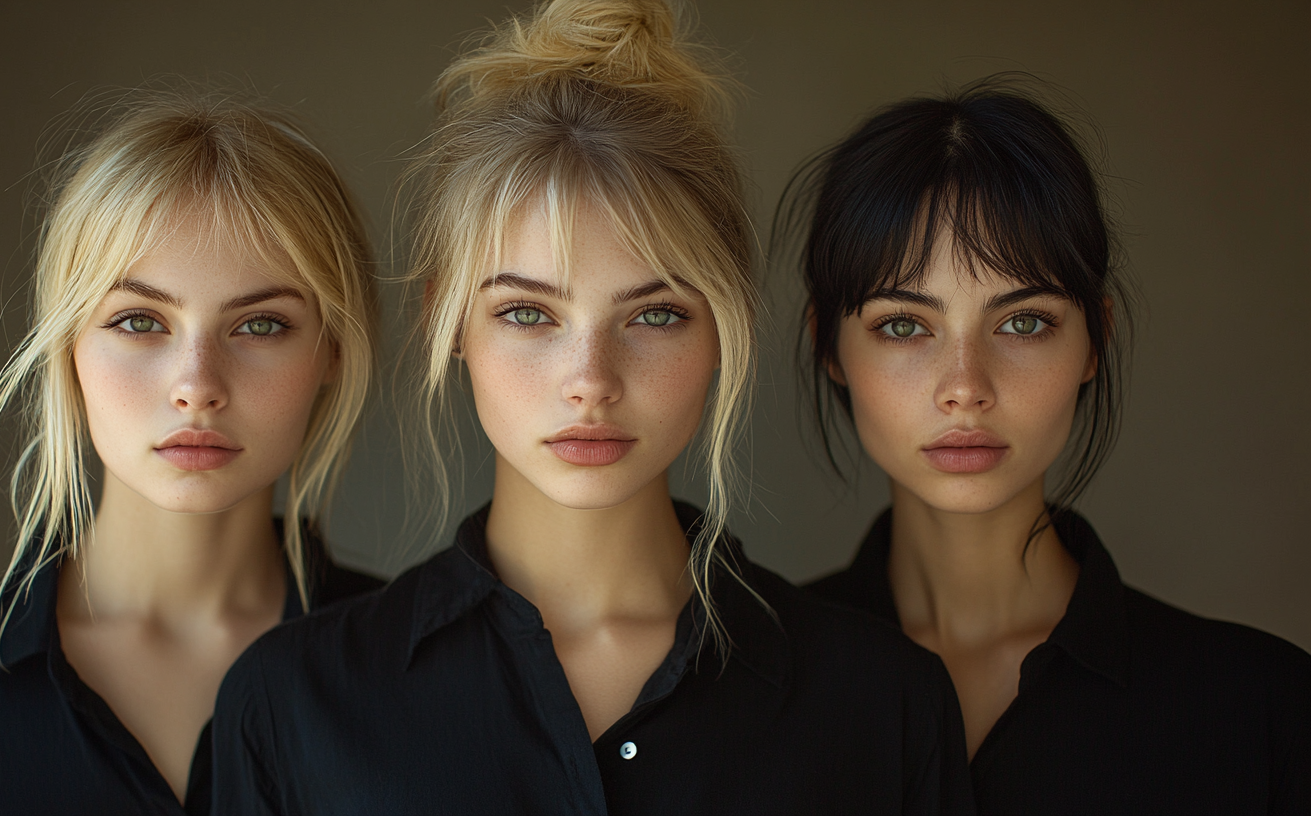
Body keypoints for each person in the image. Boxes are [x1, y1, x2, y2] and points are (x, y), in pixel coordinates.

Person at [213, 2, 972, 813]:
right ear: (446, 320)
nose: (590, 380)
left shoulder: (882, 702)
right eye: (528, 313)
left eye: (653, 315)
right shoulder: (294, 702)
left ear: (727, 326)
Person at [780, 78, 1311, 814]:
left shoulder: (1265, 711)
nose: (964, 387)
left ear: (1095, 339)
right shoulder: (745, 684)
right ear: (828, 346)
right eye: (904, 325)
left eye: (1022, 322)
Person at [0, 89, 383, 815]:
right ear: (67, 346)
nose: (197, 387)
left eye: (261, 325)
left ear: (331, 349)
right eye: (139, 320)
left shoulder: (431, 677)